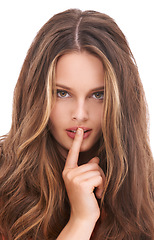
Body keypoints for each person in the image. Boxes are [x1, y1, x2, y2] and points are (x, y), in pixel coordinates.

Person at [0, 8, 153, 240]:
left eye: (98, 95)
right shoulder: (4, 180)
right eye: (62, 93)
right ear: (36, 96)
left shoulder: (147, 187)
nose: (80, 114)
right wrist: (81, 221)